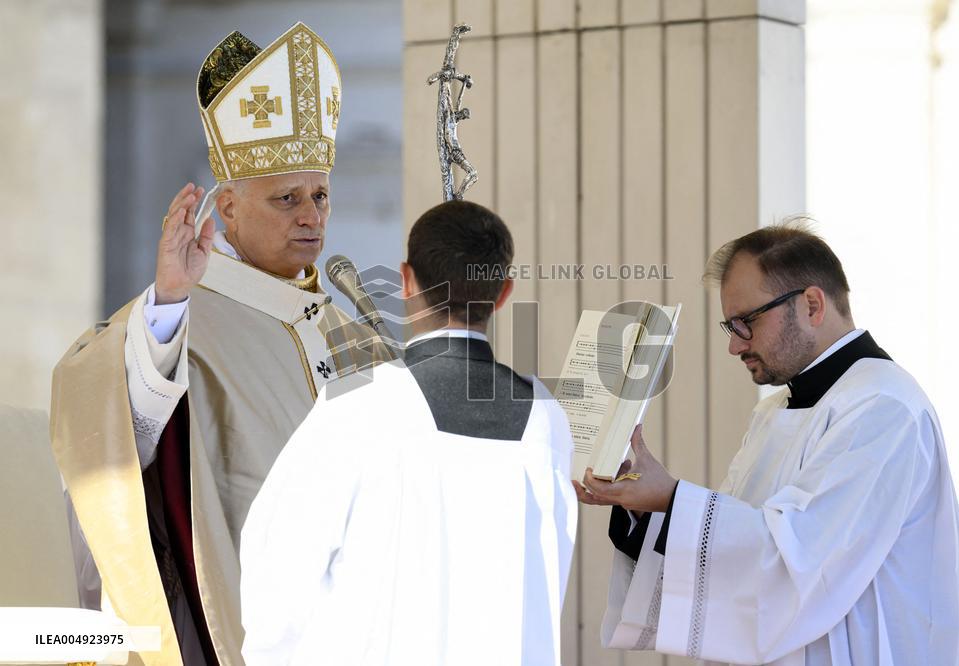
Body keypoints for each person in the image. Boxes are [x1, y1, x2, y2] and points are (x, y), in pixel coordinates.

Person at [50, 23, 389, 666]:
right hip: (246, 627)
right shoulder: (186, 316)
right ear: (227, 207)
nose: (311, 216)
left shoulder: (355, 337)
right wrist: (170, 300)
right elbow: (119, 434)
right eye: (286, 198)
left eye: (319, 195)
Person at [576, 222, 959, 664]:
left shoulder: (883, 407)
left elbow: (804, 567)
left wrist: (673, 499)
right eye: (729, 326)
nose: (735, 346)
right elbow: (738, 554)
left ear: (811, 305)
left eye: (746, 322)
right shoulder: (773, 412)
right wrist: (647, 505)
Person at [240, 200, 578, 666]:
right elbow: (546, 584)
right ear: (503, 293)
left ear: (405, 280)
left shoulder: (357, 403)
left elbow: (277, 572)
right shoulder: (547, 418)